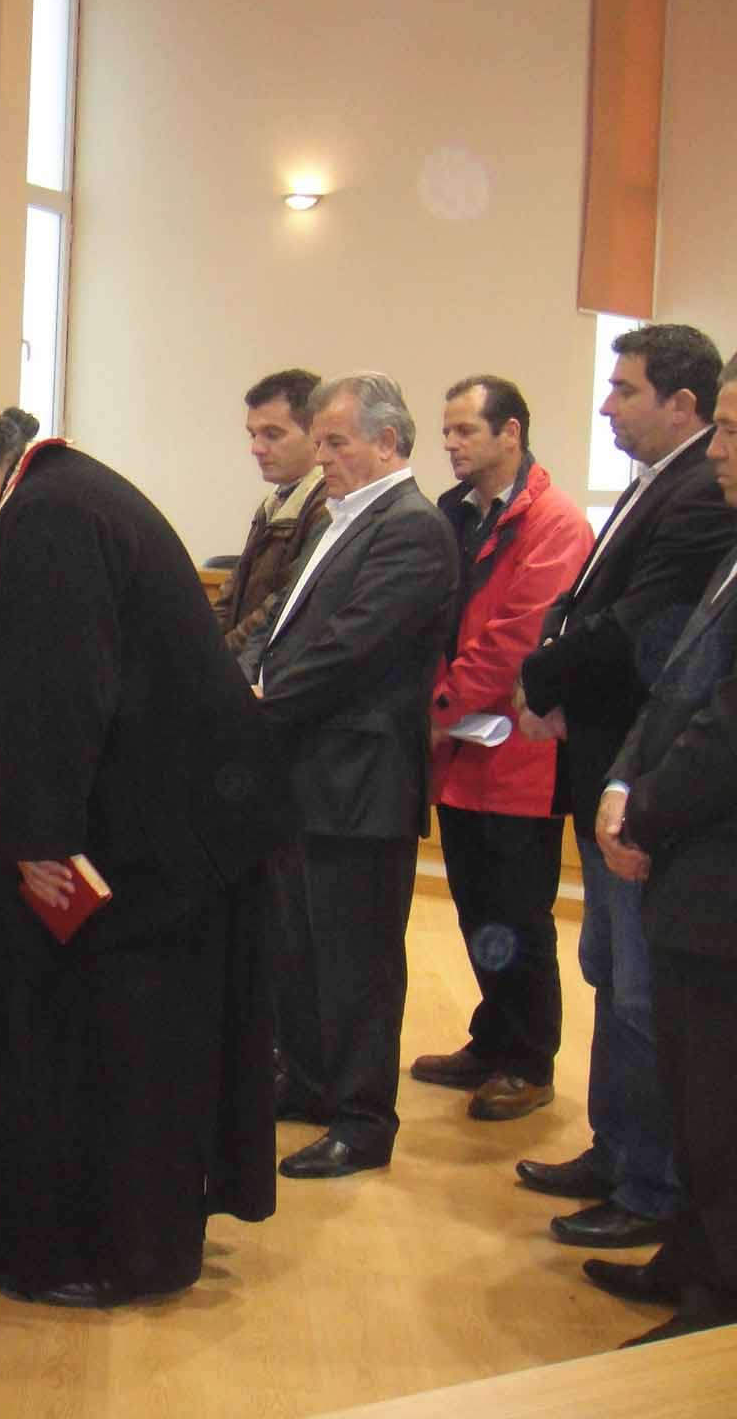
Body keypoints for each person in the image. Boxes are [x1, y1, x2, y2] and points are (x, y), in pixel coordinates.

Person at [0, 362, 280, 1307]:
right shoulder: (45, 501)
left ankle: (111, 1256)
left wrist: (35, 836)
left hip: (152, 848)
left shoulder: (50, 521)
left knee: (121, 1054)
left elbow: (58, 690)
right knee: (104, 1045)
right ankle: (83, 1231)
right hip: (154, 829)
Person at [514, 324, 737, 1250]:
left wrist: (541, 677)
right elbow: (583, 603)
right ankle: (618, 1151)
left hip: (650, 784)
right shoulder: (660, 481)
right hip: (613, 766)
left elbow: (646, 631)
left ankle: (651, 1182)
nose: (605, 404)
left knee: (643, 993)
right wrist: (550, 661)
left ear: (682, 404)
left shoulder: (698, 494)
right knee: (611, 973)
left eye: (624, 388)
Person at [241, 371, 459, 1179]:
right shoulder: (342, 519)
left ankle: (363, 1119)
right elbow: (278, 623)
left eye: (336, 442)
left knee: (357, 962)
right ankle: (307, 1082)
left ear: (387, 443)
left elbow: (351, 648)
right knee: (298, 949)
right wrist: (239, 680)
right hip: (308, 772)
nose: (322, 456)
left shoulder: (412, 528)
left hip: (360, 780)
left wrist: (257, 703)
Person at [584, 358, 737, 1346]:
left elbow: (725, 730)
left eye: (733, 430)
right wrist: (623, 785)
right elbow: (677, 684)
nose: (717, 450)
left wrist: (643, 812)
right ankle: (688, 1259)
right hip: (689, 864)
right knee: (693, 1095)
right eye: (718, 426)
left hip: (717, 874)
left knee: (720, 1107)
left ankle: (716, 1304)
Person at [409, 377, 591, 1120]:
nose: (449, 443)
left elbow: (517, 638)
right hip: (461, 751)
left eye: (464, 430)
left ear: (510, 432)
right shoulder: (455, 514)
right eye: (446, 430)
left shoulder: (554, 521)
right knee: (476, 907)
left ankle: (529, 1060)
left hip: (518, 753)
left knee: (518, 915)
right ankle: (492, 1037)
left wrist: (439, 709)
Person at [218, 368, 328, 654]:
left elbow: (280, 606)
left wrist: (218, 658)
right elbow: (230, 596)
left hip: (269, 665)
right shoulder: (274, 503)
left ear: (316, 432)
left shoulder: (329, 505)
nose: (256, 448)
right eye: (253, 435)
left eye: (272, 434)